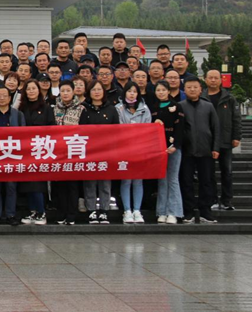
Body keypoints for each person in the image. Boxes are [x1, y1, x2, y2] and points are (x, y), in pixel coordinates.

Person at [180, 77, 221, 224]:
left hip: (206, 149)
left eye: (195, 87)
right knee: (186, 181)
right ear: (184, 90)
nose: (192, 90)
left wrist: (215, 147)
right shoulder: (180, 106)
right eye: (189, 87)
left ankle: (205, 211)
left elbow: (216, 128)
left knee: (206, 181)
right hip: (186, 150)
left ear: (200, 90)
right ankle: (188, 211)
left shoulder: (208, 106)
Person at [79, 80, 120, 224]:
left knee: (105, 182)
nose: (96, 92)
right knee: (90, 182)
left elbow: (117, 131)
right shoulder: (83, 109)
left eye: (99, 89)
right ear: (89, 92)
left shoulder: (111, 109)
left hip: (106, 151)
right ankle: (91, 210)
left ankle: (104, 210)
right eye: (94, 89)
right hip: (89, 151)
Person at [203, 69, 242, 211]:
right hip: (207, 140)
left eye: (216, 78)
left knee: (227, 171)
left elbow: (236, 118)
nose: (213, 80)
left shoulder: (229, 98)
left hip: (225, 139)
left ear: (221, 80)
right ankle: (212, 199)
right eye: (210, 78)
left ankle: (227, 200)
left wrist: (236, 136)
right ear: (205, 80)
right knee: (209, 173)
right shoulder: (202, 97)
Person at [0, 87, 24, 226]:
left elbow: (25, 135)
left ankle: (10, 214)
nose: (1, 98)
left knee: (11, 186)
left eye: (4, 96)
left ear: (9, 98)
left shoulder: (18, 115)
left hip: (12, 156)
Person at [16, 82, 51, 225]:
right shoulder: (21, 108)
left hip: (40, 149)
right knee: (27, 184)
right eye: (28, 89)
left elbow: (52, 128)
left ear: (39, 90)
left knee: (37, 183)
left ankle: (41, 212)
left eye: (34, 88)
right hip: (24, 150)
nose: (31, 91)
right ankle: (32, 211)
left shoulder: (46, 108)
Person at [116, 82, 152, 224]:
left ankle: (137, 210)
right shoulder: (119, 108)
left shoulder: (144, 109)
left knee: (138, 180)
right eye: (129, 91)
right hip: (125, 149)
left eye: (134, 91)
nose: (132, 94)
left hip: (140, 148)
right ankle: (127, 210)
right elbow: (119, 128)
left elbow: (147, 128)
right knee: (126, 180)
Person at [151, 81, 184, 224]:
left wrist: (176, 145)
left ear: (169, 91)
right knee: (162, 180)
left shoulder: (177, 107)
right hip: (158, 149)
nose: (161, 92)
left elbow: (181, 128)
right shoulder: (153, 108)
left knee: (173, 179)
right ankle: (161, 212)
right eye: (158, 90)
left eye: (163, 90)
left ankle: (174, 212)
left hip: (173, 148)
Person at [52, 81, 84, 225]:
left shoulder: (81, 108)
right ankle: (61, 213)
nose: (65, 93)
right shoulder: (53, 108)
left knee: (72, 185)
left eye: (68, 91)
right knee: (60, 185)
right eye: (63, 91)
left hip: (74, 150)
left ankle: (71, 214)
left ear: (73, 92)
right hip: (58, 152)